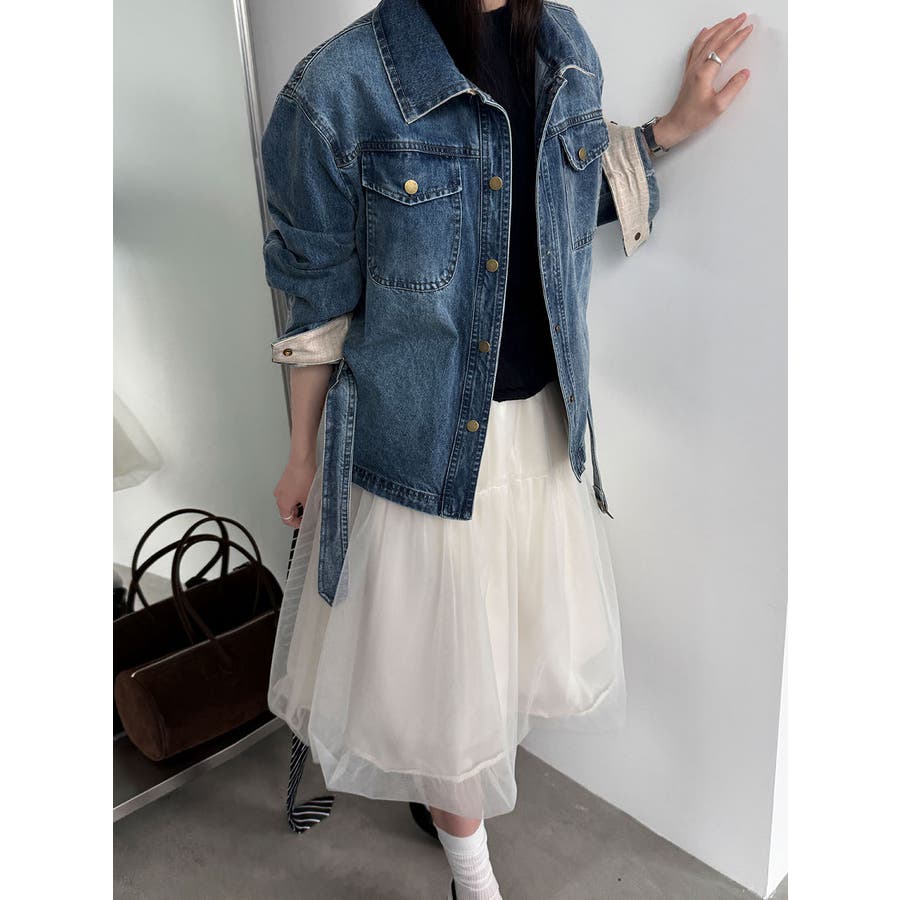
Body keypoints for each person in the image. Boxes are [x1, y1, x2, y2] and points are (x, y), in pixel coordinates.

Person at [262, 2, 752, 897]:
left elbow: (559, 198)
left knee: (494, 668)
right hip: (423, 451)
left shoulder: (560, 43)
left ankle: (446, 800)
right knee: (448, 688)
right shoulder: (337, 89)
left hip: (538, 434)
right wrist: (301, 452)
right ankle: (473, 877)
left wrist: (670, 131)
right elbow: (315, 300)